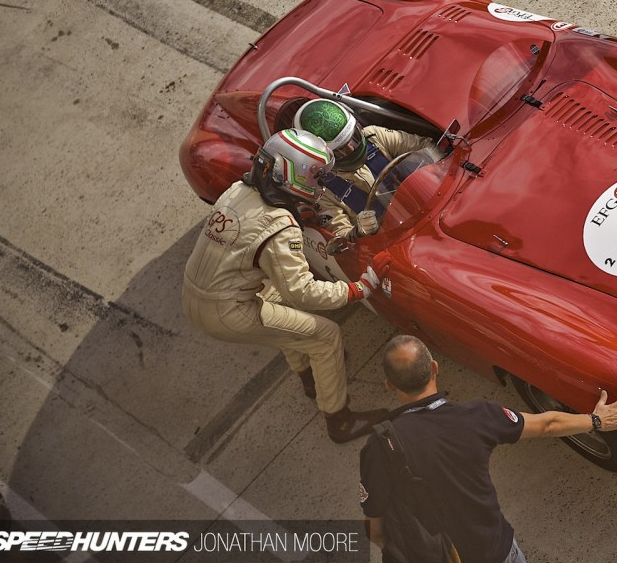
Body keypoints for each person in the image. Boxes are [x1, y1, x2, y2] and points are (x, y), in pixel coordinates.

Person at [183, 129, 390, 442]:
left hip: (201, 289)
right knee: (325, 336)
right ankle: (340, 420)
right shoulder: (281, 226)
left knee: (279, 303)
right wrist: (359, 288)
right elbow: (303, 291)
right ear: (294, 175)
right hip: (229, 310)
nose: (320, 184)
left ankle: (308, 377)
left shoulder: (238, 190)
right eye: (316, 176)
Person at [359, 335, 617, 563]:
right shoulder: (478, 416)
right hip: (495, 551)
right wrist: (596, 420)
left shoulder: (380, 445)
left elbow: (376, 528)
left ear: (389, 385)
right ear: (435, 368)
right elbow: (546, 424)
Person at [293, 99, 439, 242]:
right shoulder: (322, 189)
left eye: (353, 139)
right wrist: (358, 232)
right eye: (341, 151)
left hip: (430, 206)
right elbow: (340, 236)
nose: (351, 149)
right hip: (394, 240)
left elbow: (425, 145)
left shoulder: (373, 135)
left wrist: (438, 165)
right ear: (322, 159)